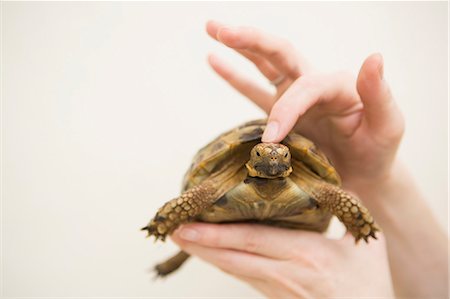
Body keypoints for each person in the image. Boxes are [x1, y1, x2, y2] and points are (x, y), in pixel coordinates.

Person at [171, 21, 448, 298]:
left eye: (282, 154)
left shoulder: (316, 186)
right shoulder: (218, 182)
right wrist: (374, 182)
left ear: (290, 162)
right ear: (249, 159)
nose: (272, 156)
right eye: (260, 153)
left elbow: (336, 197)